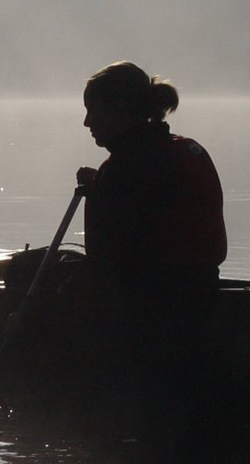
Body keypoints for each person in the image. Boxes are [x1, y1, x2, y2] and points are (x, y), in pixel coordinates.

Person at [75, 61, 227, 295]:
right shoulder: (186, 150)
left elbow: (106, 256)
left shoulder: (122, 169)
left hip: (148, 301)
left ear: (120, 111)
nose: (87, 122)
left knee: (24, 272)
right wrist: (100, 184)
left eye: (93, 111)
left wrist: (99, 189)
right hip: (203, 287)